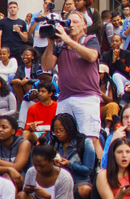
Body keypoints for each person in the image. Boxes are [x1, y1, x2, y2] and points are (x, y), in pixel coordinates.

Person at [42, 11, 101, 149]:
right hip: (65, 98)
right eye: (69, 22)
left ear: (84, 25)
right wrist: (51, 43)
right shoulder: (60, 45)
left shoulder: (90, 39)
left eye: (75, 22)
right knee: (63, 139)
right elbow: (46, 65)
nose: (71, 25)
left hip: (87, 96)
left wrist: (68, 40)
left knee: (90, 139)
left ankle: (99, 168)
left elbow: (92, 56)